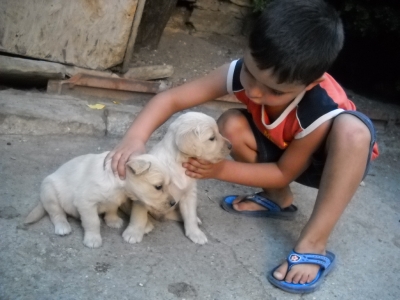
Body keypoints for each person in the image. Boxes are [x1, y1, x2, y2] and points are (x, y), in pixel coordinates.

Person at [107, 0, 379, 294]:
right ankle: (278, 201)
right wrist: (136, 137)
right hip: (281, 148)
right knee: (230, 126)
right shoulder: (242, 71)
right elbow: (171, 99)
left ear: (310, 84)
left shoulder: (319, 107)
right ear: (247, 48)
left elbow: (283, 172)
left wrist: (220, 169)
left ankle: (314, 242)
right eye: (250, 73)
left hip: (331, 164)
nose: (254, 91)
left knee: (354, 131)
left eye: (274, 91)